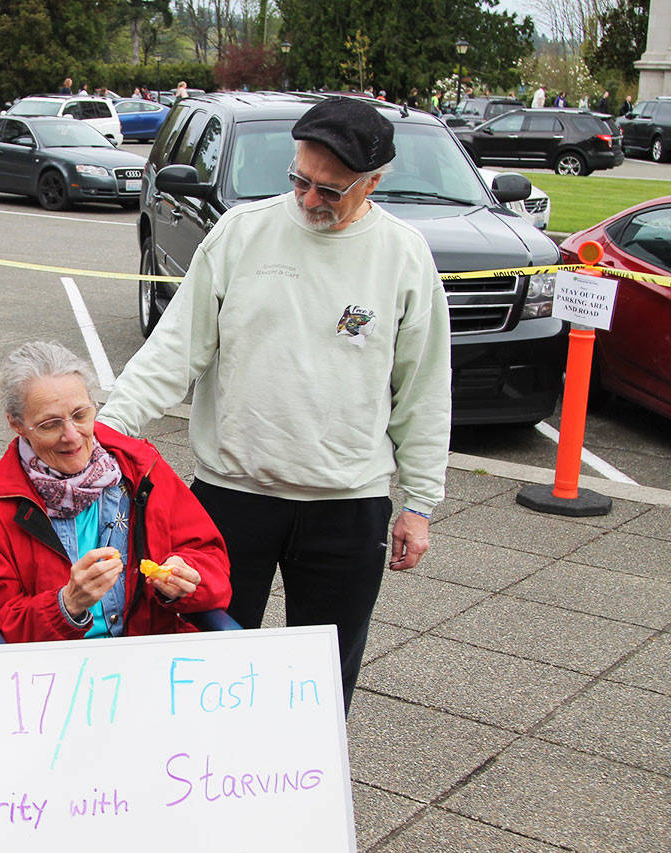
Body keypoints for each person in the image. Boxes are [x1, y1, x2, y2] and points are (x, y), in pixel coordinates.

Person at [98, 96, 451, 712]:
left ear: (372, 183)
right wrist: (103, 436)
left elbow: (423, 389)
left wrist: (419, 502)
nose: (310, 200)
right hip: (233, 495)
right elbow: (175, 351)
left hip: (347, 504)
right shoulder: (243, 231)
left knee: (322, 682)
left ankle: (304, 800)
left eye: (331, 191)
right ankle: (205, 791)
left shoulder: (403, 254)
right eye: (300, 181)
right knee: (208, 671)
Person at [0, 342, 231, 644]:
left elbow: (210, 557)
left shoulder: (141, 469)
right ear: (17, 424)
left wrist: (187, 576)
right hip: (48, 672)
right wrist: (67, 605)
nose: (72, 436)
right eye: (50, 424)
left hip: (143, 655)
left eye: (80, 414)